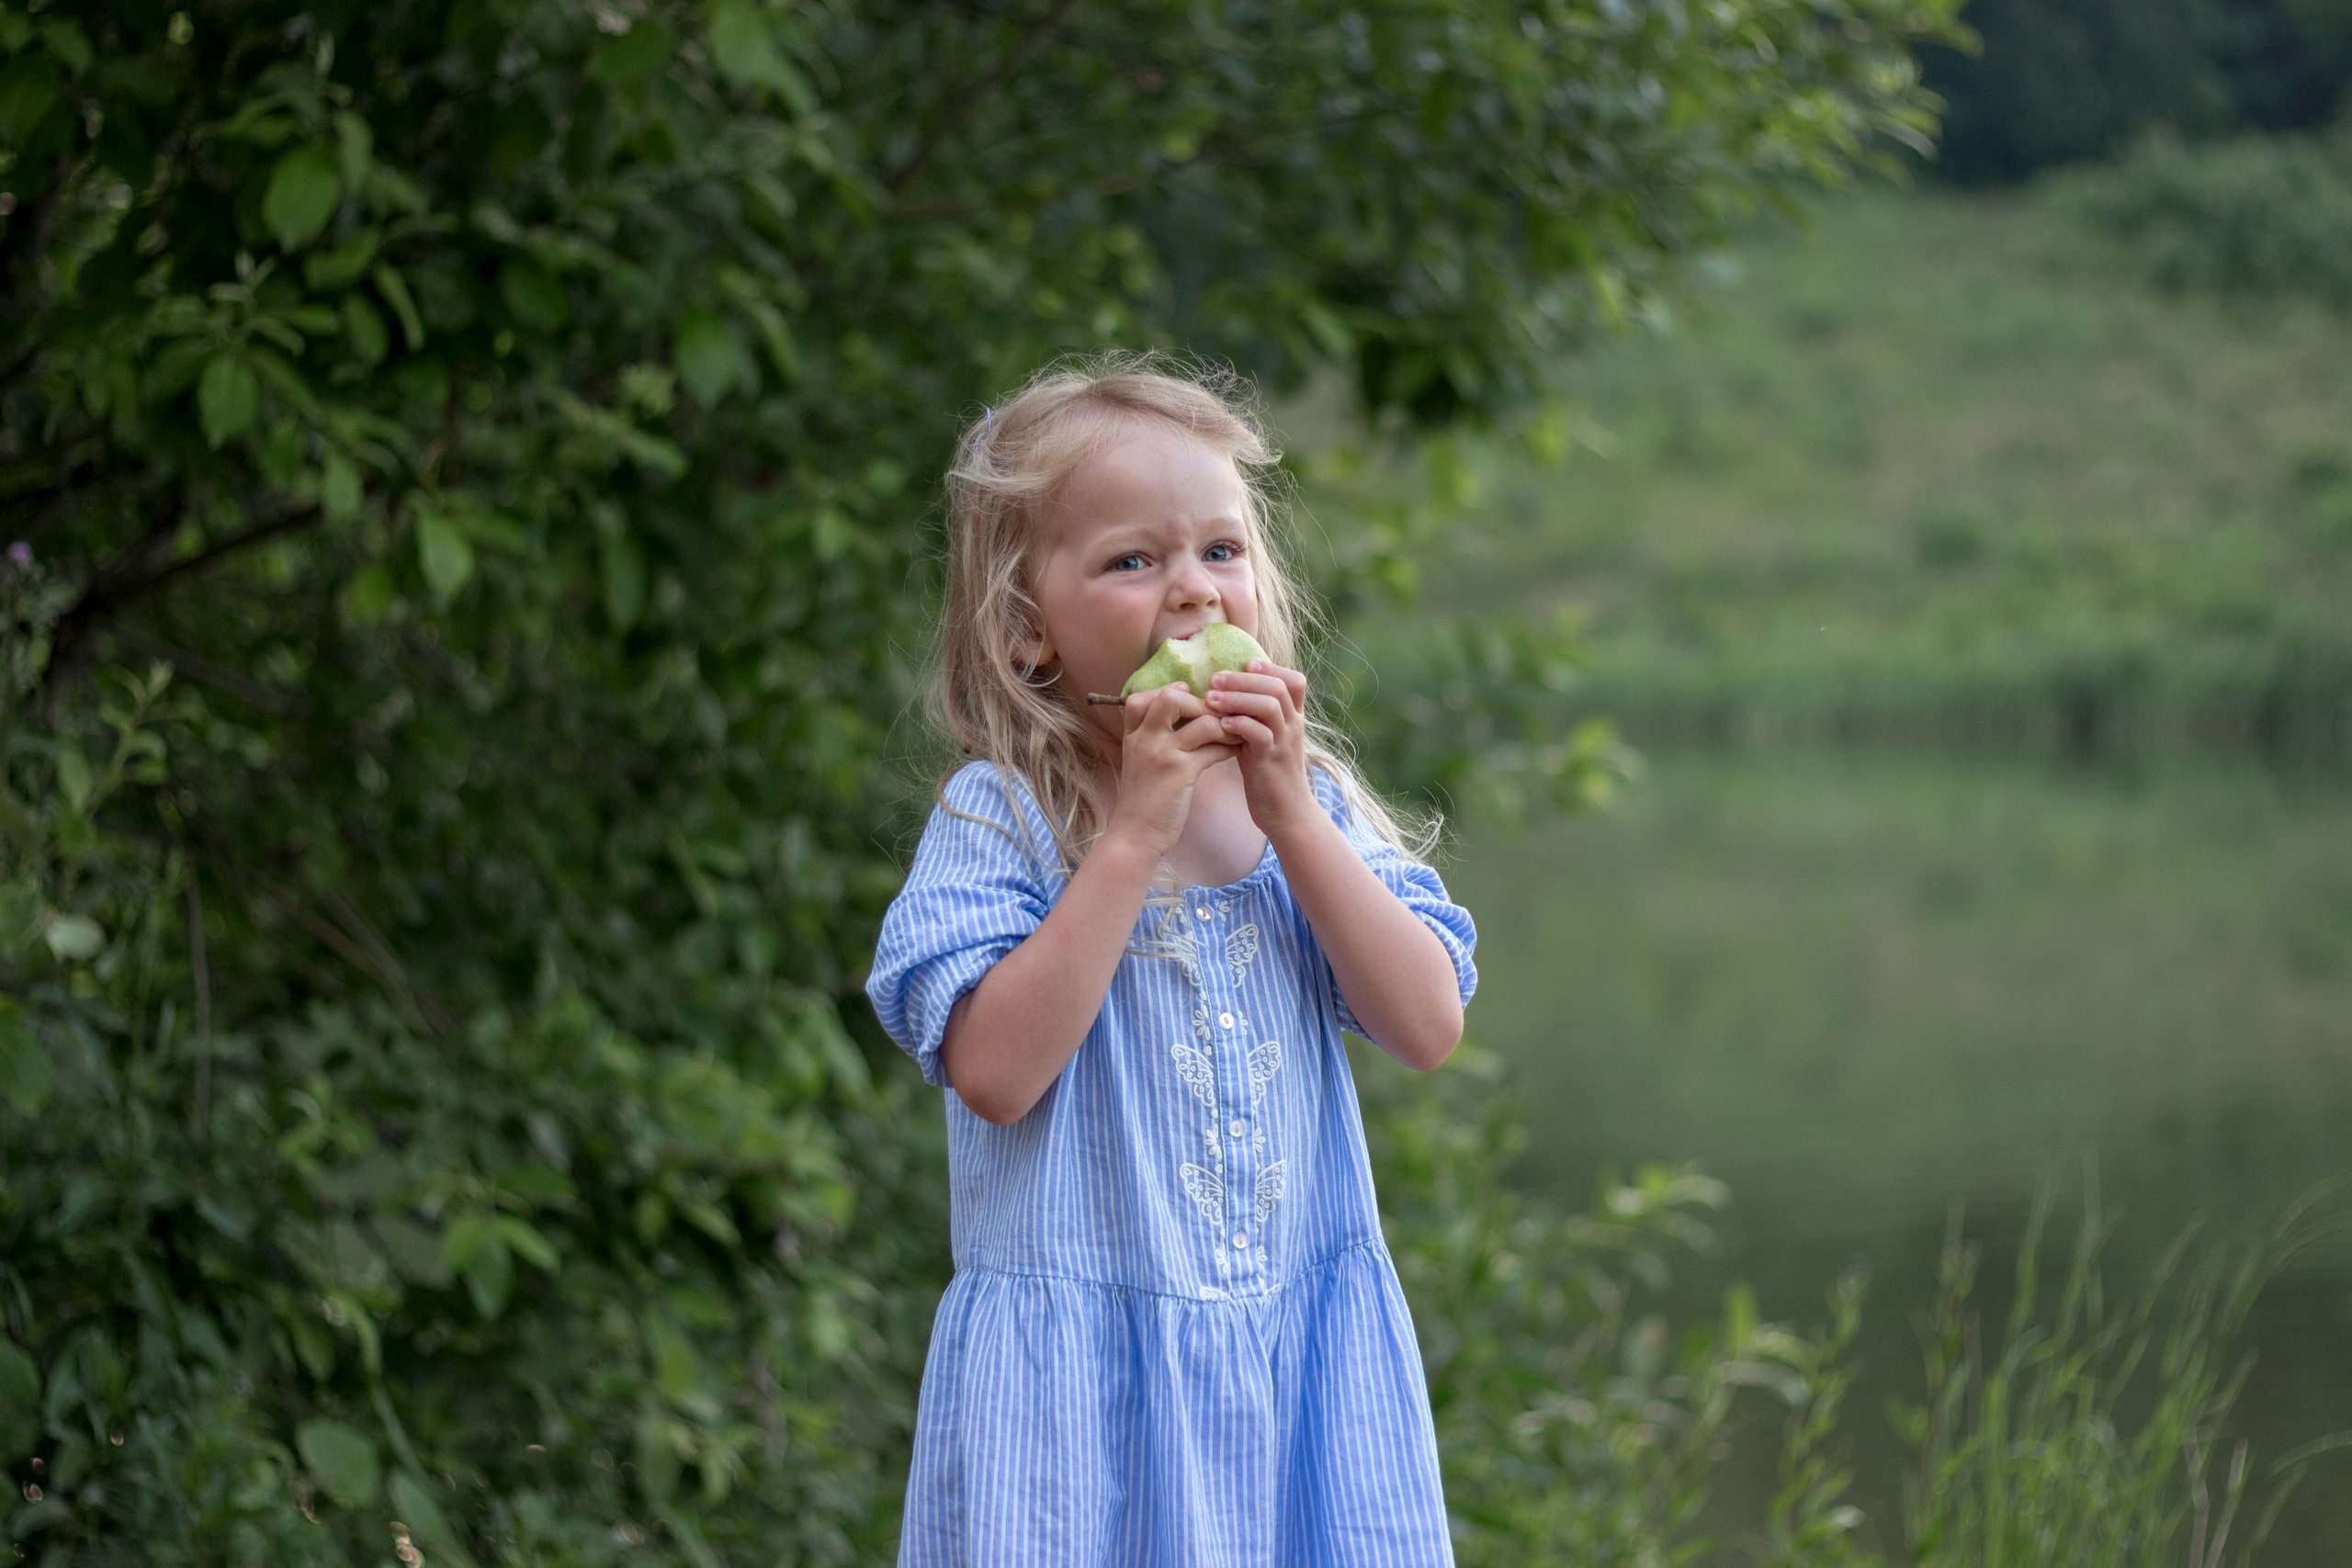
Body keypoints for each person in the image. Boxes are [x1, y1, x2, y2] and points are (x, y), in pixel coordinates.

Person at [865, 355, 1476, 1566]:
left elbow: (1424, 1025)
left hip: (1295, 1371)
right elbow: (993, 1071)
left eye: (1221, 551)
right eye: (1133, 561)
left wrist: (1296, 819)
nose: (1192, 593)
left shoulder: (1311, 811)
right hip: (1081, 1405)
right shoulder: (1007, 818)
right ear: (1027, 629)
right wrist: (1133, 835)